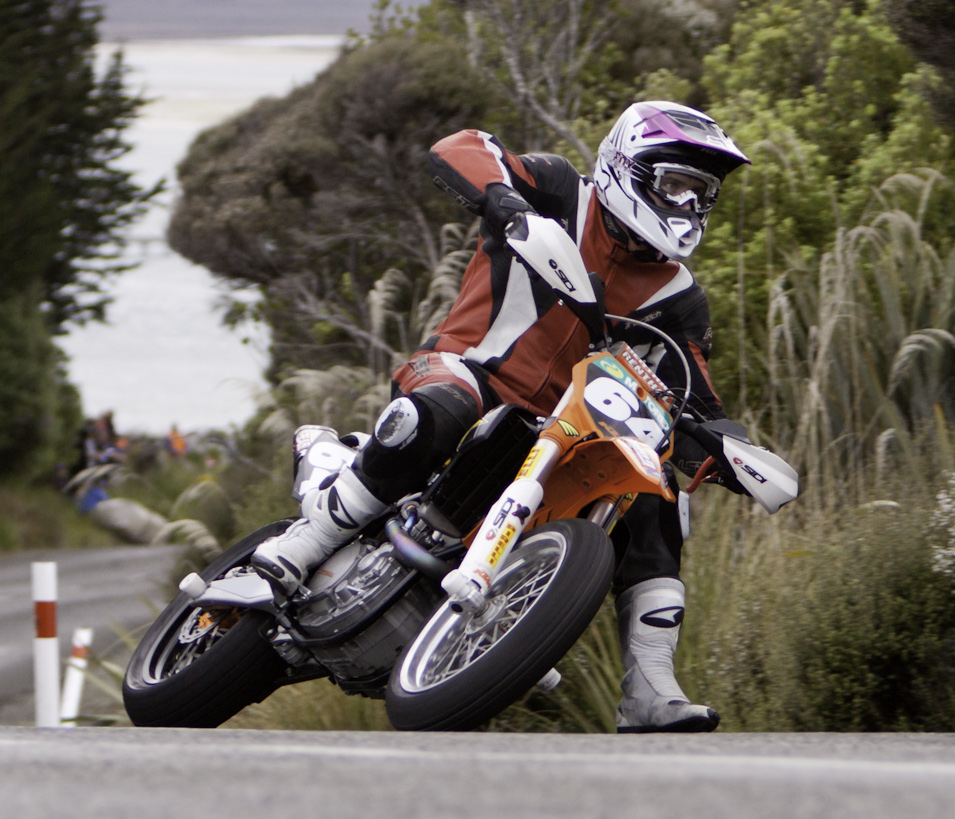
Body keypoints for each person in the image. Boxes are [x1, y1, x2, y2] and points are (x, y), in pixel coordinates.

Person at [253, 101, 756, 733]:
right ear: (629, 167)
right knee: (446, 406)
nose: (686, 205)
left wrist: (731, 450)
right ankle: (308, 541)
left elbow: (695, 396)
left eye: (700, 194)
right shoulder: (560, 191)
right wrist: (506, 202)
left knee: (655, 494)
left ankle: (649, 685)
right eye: (674, 184)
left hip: (561, 436)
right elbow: (460, 146)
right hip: (465, 369)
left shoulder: (679, 297)